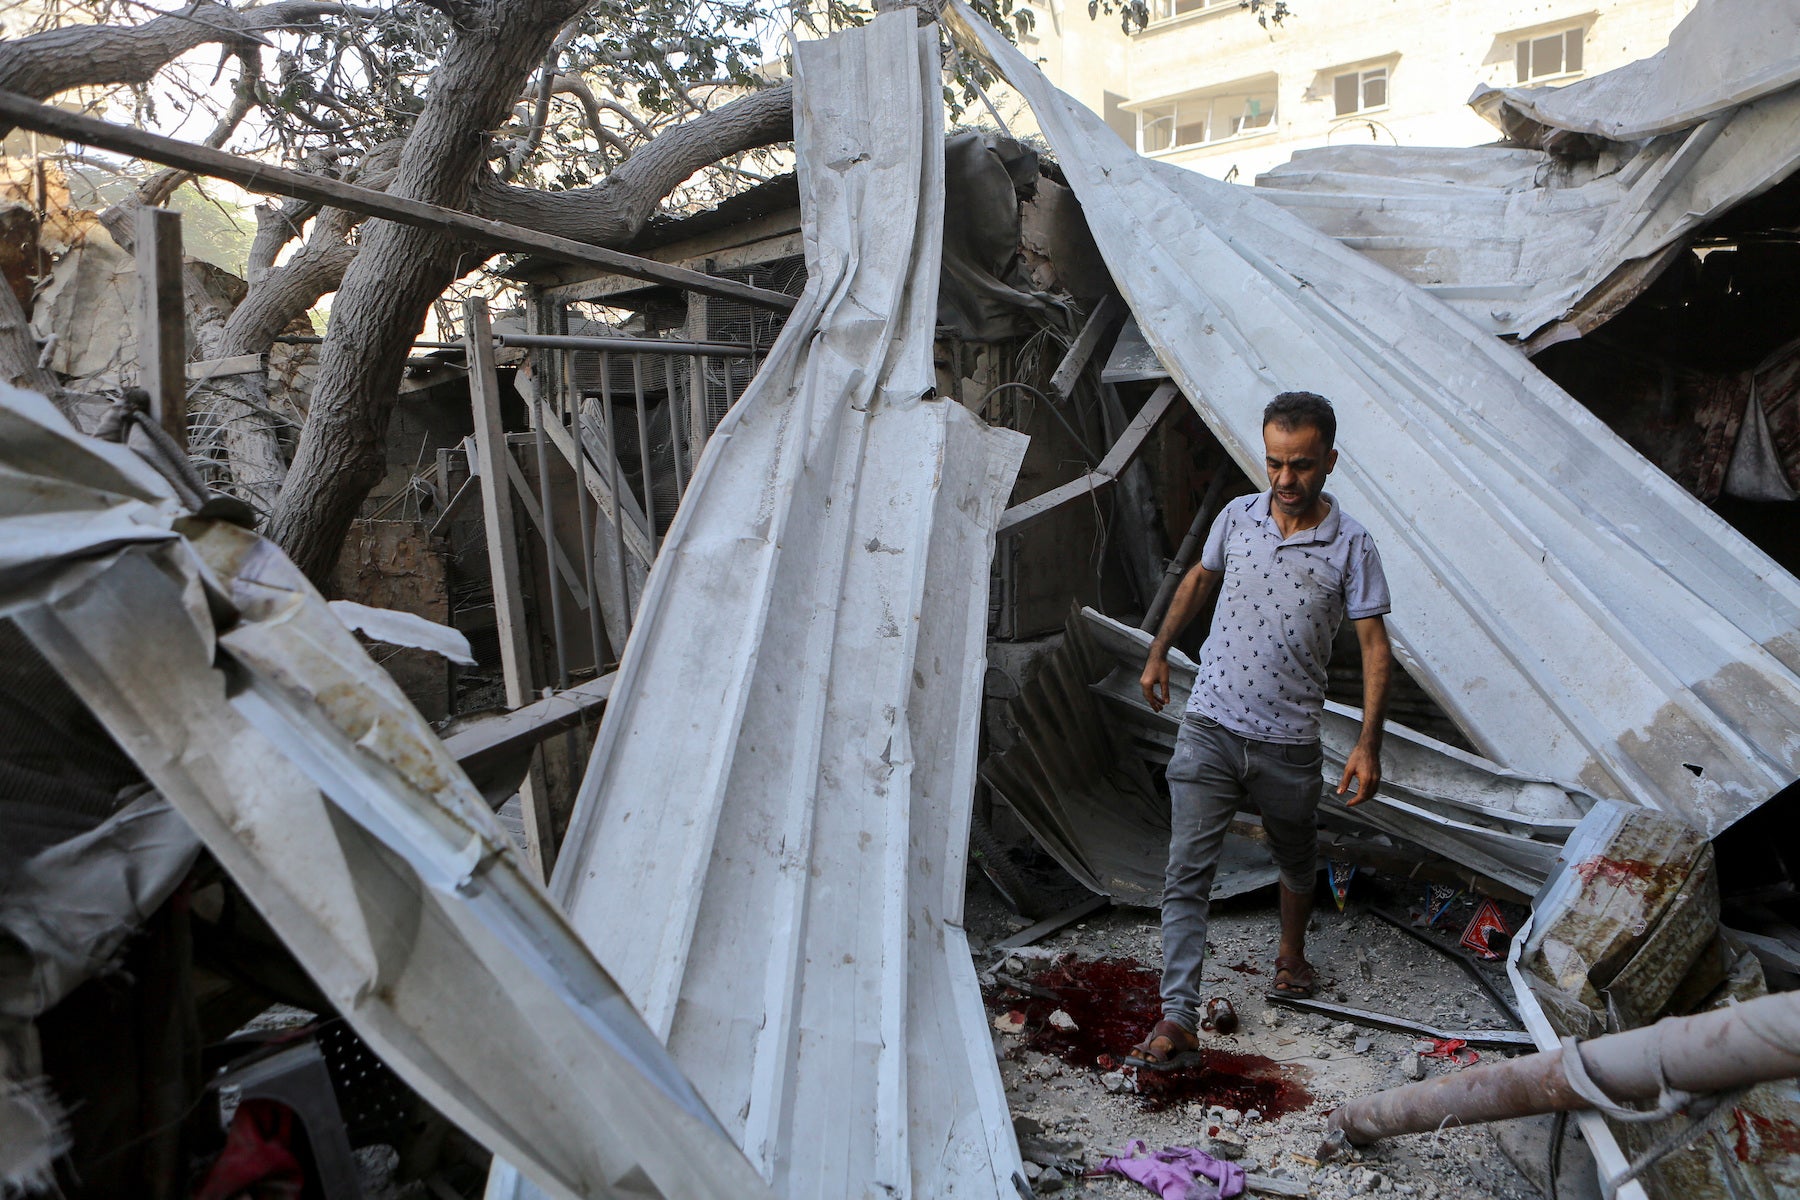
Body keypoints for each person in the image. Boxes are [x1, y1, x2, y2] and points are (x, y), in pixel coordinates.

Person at [1126, 391, 1393, 1071]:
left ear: (1330, 460)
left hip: (1288, 740)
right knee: (1186, 872)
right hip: (1211, 723)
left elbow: (1372, 646)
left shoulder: (1352, 544)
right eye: (1274, 463)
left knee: (1296, 855)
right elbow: (1198, 580)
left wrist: (1367, 742)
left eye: (1301, 465)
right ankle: (1178, 1016)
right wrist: (1159, 651)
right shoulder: (1237, 517)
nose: (1284, 480)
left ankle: (1291, 954)